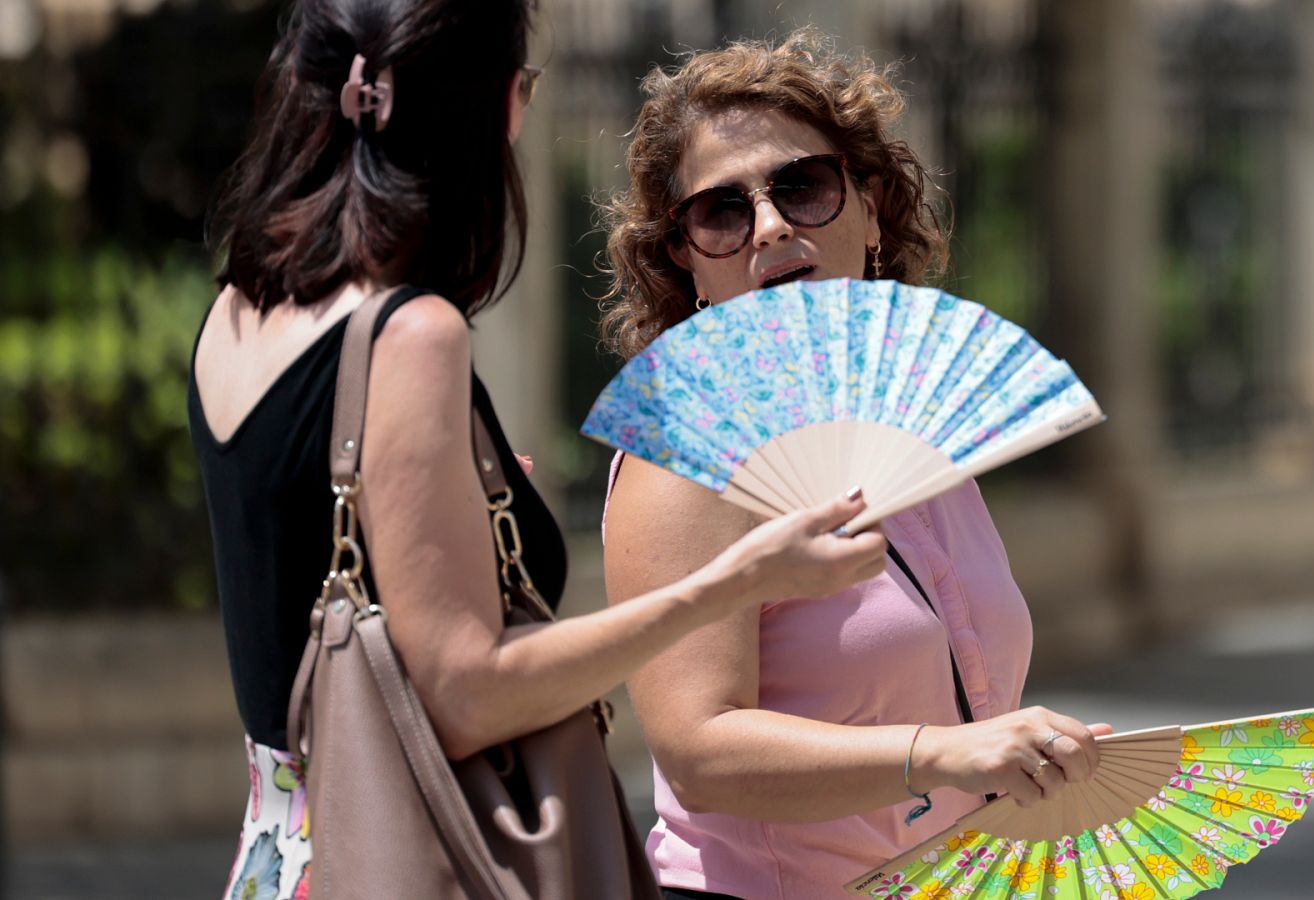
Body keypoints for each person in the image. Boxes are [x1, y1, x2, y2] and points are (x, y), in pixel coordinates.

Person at [191, 4, 886, 897]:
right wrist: (735, 580)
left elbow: (295, 559)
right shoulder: (409, 335)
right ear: (497, 108)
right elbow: (471, 694)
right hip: (408, 850)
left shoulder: (240, 310)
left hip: (282, 856)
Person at [598, 29, 1112, 900]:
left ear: (871, 208)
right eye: (721, 211)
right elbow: (698, 752)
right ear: (686, 255)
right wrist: (939, 753)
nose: (769, 226)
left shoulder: (918, 425)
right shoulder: (687, 445)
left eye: (803, 187)